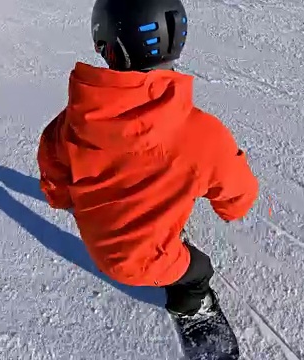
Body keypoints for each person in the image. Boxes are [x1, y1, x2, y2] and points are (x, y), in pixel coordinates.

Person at [36, 0, 259, 318]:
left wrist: (65, 199)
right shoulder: (202, 133)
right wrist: (228, 203)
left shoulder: (72, 122)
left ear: (106, 45)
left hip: (97, 248)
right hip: (158, 263)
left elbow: (53, 173)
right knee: (200, 269)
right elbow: (238, 200)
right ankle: (190, 304)